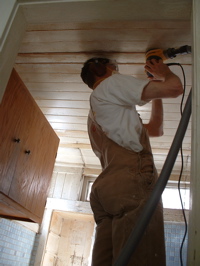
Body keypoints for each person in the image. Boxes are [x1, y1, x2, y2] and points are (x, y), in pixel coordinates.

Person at [80, 57, 183, 266]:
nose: (117, 70)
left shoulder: (99, 114)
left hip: (107, 191)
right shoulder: (109, 84)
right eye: (114, 66)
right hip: (130, 184)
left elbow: (156, 128)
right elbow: (175, 88)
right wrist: (164, 74)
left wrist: (156, 93)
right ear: (101, 69)